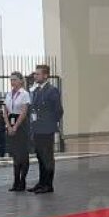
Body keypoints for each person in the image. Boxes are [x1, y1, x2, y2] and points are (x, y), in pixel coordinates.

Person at [30, 64, 63, 194]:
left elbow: (58, 111)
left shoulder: (51, 90)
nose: (35, 76)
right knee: (39, 156)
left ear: (45, 75)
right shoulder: (36, 91)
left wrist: (50, 124)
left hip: (46, 130)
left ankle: (48, 185)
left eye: (38, 74)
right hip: (37, 129)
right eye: (35, 74)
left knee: (47, 157)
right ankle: (41, 182)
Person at [2, 72, 32, 191]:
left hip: (21, 125)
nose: (12, 82)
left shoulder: (24, 94)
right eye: (11, 80)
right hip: (11, 123)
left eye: (14, 80)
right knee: (15, 155)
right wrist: (9, 126)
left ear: (20, 81)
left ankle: (22, 181)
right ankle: (16, 182)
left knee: (23, 155)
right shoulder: (9, 94)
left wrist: (16, 126)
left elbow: (24, 112)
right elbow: (5, 111)